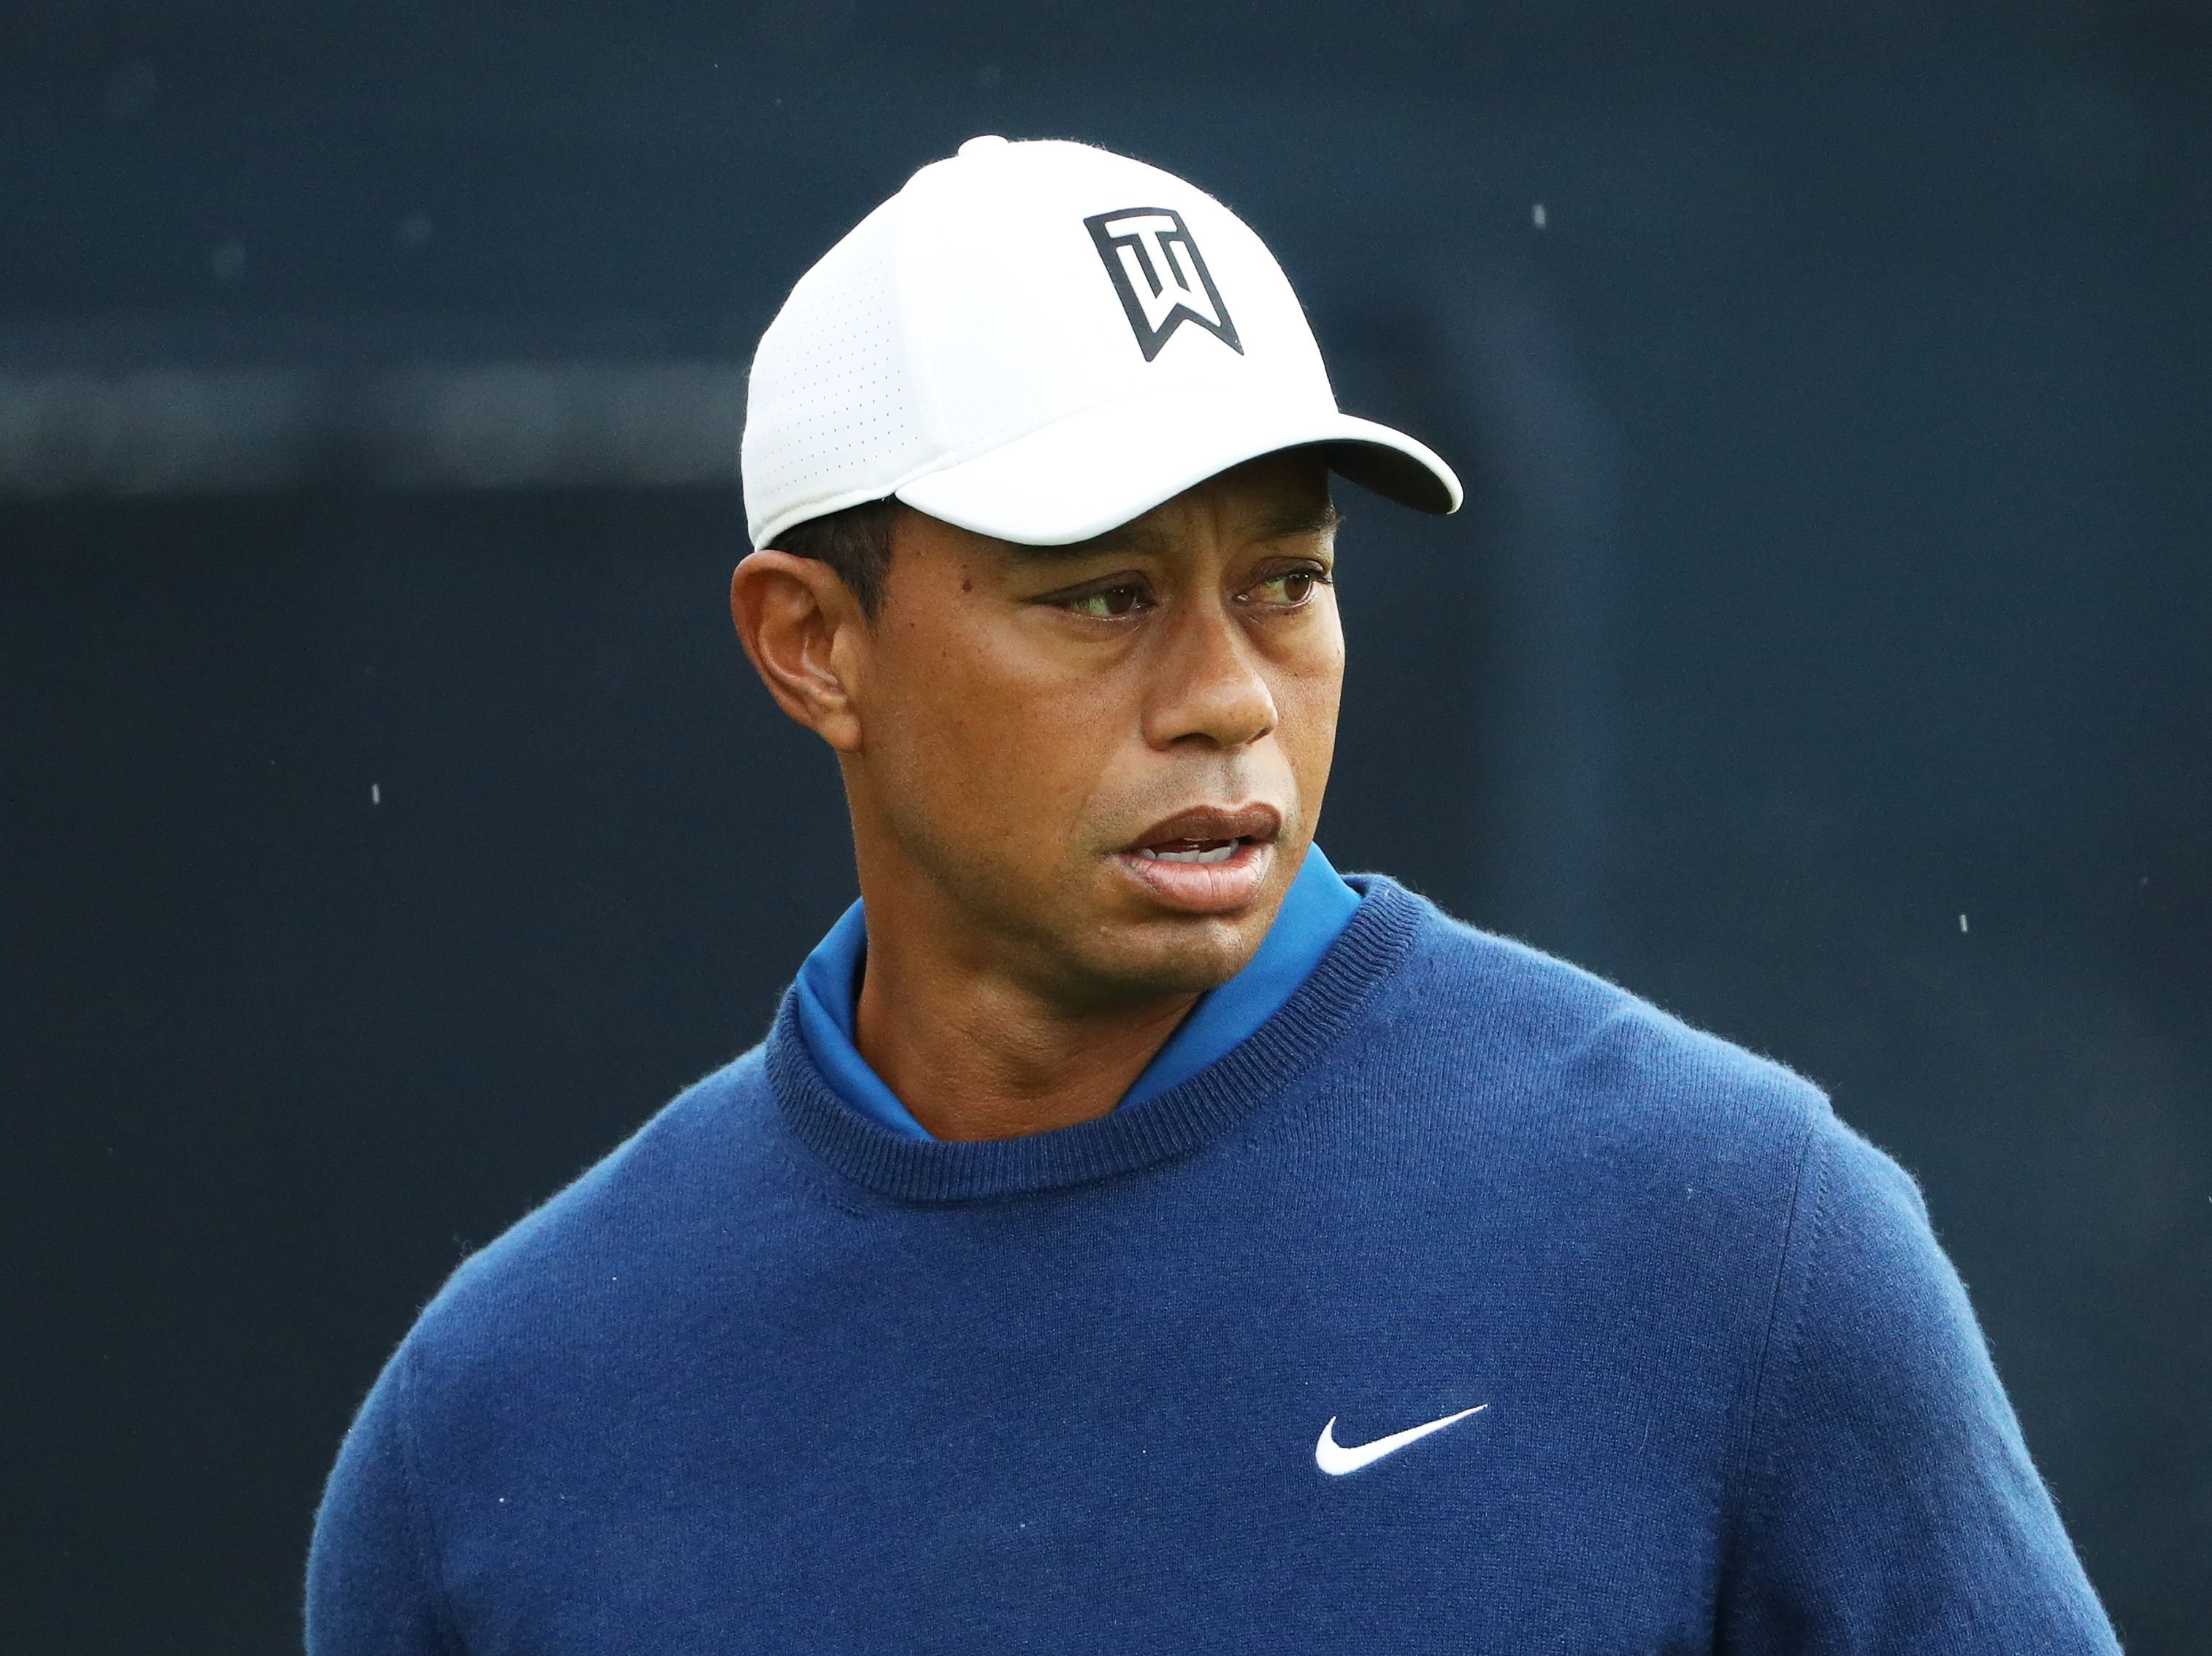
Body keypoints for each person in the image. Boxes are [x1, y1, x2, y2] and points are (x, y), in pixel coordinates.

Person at [307, 136, 2119, 1652]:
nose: (1228, 694)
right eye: (1101, 595)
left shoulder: (1736, 1239)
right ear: (810, 644)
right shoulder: (506, 1412)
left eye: (1284, 580)